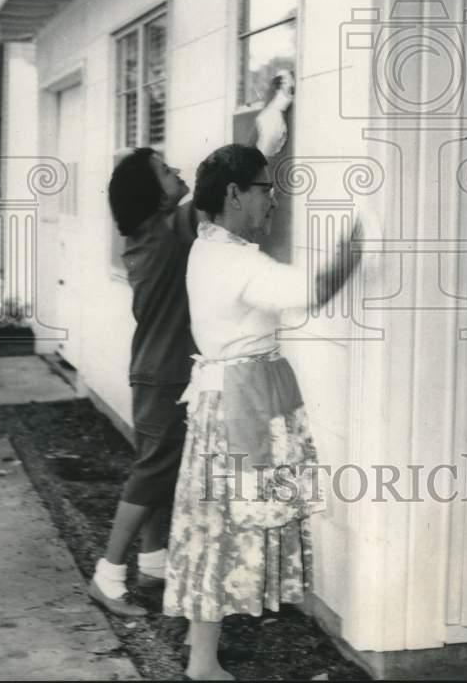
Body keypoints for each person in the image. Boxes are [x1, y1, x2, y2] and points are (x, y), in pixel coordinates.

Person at [163, 144, 363, 681]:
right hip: (238, 401)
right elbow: (313, 290)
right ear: (234, 194)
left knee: (216, 520)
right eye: (265, 189)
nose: (273, 201)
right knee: (224, 524)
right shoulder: (236, 260)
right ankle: (202, 662)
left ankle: (196, 636)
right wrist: (361, 240)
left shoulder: (210, 246)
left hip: (236, 394)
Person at [87, 147, 199, 617]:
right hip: (165, 374)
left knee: (162, 468)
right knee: (153, 471)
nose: (178, 172)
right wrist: (271, 116)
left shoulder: (150, 234)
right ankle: (108, 575)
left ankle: (153, 563)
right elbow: (220, 186)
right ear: (153, 197)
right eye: (166, 172)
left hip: (157, 370)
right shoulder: (168, 231)